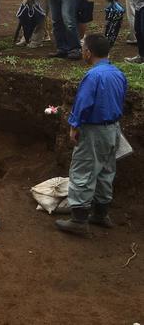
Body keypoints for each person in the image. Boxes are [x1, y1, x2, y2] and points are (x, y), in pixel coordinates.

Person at [55, 34, 127, 236]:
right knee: (106, 171)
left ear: (88, 52)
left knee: (83, 171)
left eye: (84, 49)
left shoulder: (93, 76)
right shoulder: (117, 72)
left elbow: (83, 104)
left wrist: (74, 126)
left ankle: (79, 220)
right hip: (113, 129)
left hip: (94, 130)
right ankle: (101, 214)